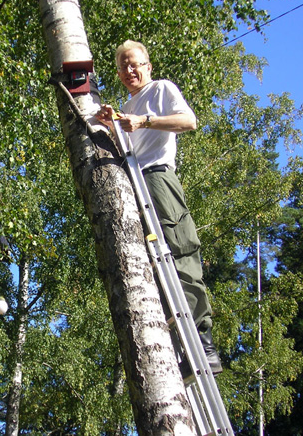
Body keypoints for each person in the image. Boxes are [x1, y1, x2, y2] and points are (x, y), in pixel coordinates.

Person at [95, 40, 222, 375]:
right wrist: (112, 125)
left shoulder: (161, 89)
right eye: (122, 66)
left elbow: (188, 121)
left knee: (179, 253)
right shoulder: (128, 105)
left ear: (147, 65)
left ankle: (203, 344)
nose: (129, 71)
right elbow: (128, 147)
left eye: (134, 64)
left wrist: (144, 121)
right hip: (134, 187)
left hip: (158, 180)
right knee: (149, 268)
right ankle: (181, 347)